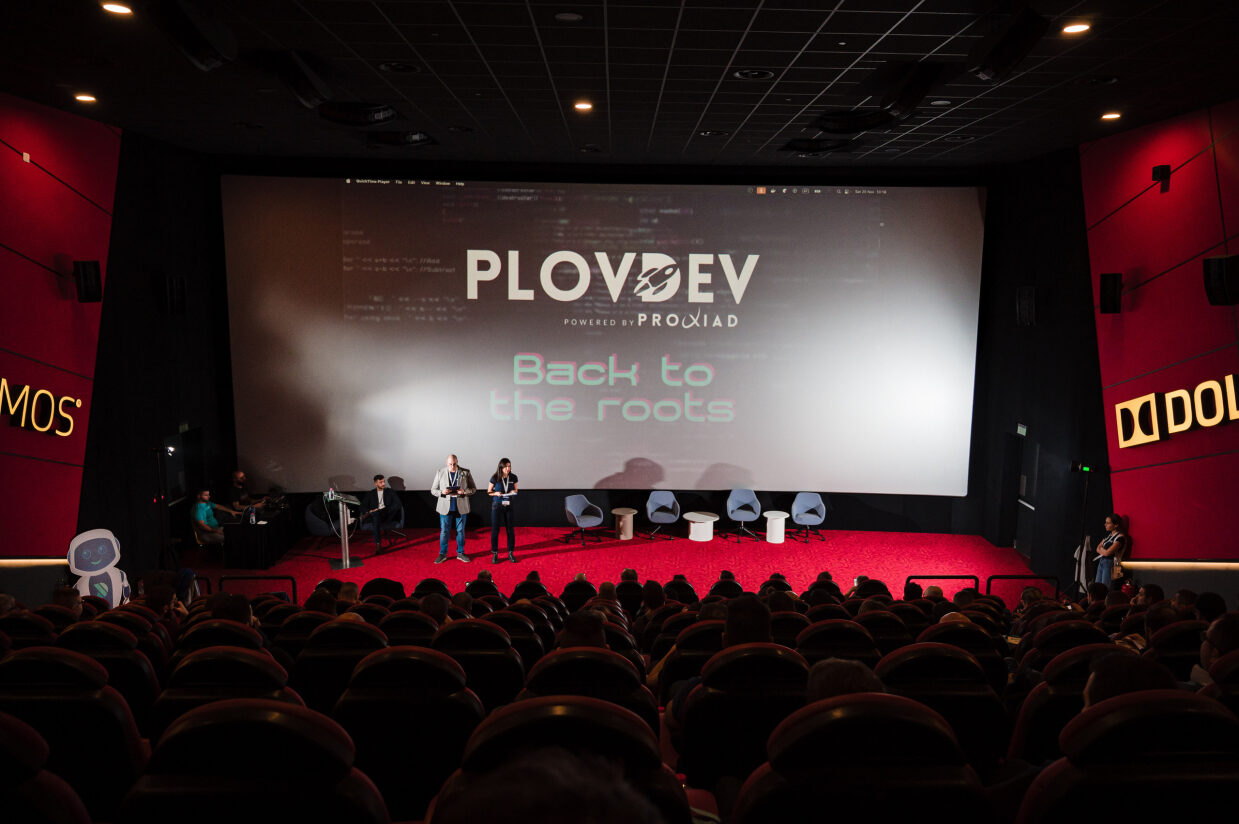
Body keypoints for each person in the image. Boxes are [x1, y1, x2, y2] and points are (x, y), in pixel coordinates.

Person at [431, 454, 476, 563]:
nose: (452, 466)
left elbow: (473, 489)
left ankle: (460, 553)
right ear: (446, 463)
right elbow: (433, 490)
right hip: (445, 507)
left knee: (460, 531)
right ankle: (442, 554)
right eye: (450, 464)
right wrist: (442, 492)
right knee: (444, 531)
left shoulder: (465, 472)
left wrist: (464, 491)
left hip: (461, 506)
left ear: (457, 462)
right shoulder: (440, 472)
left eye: (454, 464)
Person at [359, 474, 404, 552]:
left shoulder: (390, 492)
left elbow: (398, 504)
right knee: (376, 515)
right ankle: (378, 545)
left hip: (386, 515)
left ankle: (378, 544)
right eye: (380, 482)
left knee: (376, 513)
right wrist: (370, 511)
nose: (383, 484)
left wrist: (384, 510)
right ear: (375, 483)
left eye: (384, 482)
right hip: (375, 517)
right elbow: (362, 507)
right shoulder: (370, 493)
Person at [487, 458, 518, 563]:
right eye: (505, 466)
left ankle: (510, 553)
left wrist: (514, 491)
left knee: (510, 530)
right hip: (497, 506)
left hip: (509, 505)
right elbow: (489, 492)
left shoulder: (513, 477)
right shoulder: (495, 477)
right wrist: (495, 493)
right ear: (501, 467)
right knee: (495, 530)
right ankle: (495, 553)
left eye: (509, 466)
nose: (508, 468)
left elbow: (516, 490)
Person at [1094, 513, 1126, 585]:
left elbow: (1108, 553)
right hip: (1102, 561)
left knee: (1105, 586)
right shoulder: (1108, 536)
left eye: (1108, 523)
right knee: (1097, 586)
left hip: (1111, 563)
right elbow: (1097, 548)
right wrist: (1104, 551)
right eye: (1105, 522)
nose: (1105, 525)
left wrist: (1102, 550)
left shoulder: (1120, 537)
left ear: (1116, 525)